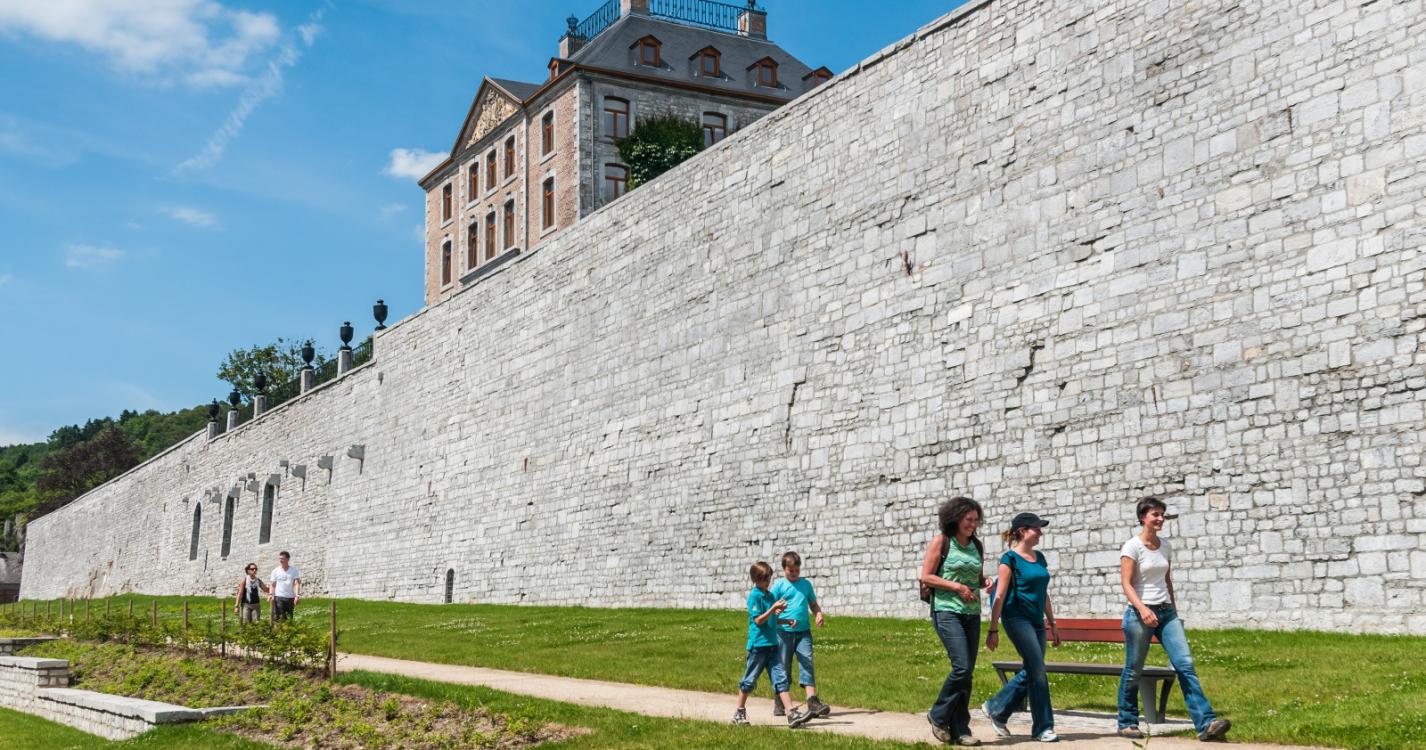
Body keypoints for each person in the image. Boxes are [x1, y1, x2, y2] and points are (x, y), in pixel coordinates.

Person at [1118, 498, 1231, 742]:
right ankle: (1127, 722)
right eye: (1155, 514)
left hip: (1166, 612)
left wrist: (1174, 611)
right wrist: (1142, 609)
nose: (1161, 519)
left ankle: (1206, 724)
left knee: (1185, 664)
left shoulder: (1165, 546)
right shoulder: (1132, 547)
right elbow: (1126, 584)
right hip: (1139, 613)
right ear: (1143, 518)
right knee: (1134, 669)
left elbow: (1166, 580)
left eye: (1163, 515)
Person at [982, 512, 1060, 743]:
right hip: (1016, 619)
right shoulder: (1009, 559)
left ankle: (997, 708)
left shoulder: (1040, 558)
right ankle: (1043, 727)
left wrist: (1052, 623)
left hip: (1036, 621)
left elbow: (1043, 593)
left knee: (1033, 669)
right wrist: (993, 629)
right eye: (1037, 529)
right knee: (1038, 670)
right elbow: (999, 595)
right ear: (1023, 531)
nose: (1040, 533)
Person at [919, 496, 990, 746]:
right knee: (961, 667)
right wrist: (957, 587)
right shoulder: (942, 541)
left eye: (976, 520)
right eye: (968, 519)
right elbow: (926, 577)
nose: (973, 524)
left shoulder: (976, 545)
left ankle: (961, 729)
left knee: (967, 673)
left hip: (971, 613)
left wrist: (986, 582)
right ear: (955, 518)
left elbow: (977, 577)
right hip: (946, 611)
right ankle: (938, 714)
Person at [733, 561, 813, 728]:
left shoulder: (770, 596)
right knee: (749, 680)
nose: (767, 582)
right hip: (758, 647)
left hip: (773, 646)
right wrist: (773, 608)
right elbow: (758, 620)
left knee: (781, 679)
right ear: (755, 580)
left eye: (768, 578)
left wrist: (785, 620)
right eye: (764, 579)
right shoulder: (755, 596)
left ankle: (791, 713)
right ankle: (739, 712)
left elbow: (771, 620)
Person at [770, 551, 829, 719]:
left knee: (807, 662)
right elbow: (770, 608)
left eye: (797, 570)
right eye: (791, 570)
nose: (794, 573)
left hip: (803, 633)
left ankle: (812, 701)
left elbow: (813, 604)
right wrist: (776, 612)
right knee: (783, 667)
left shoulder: (806, 585)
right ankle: (780, 701)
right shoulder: (779, 586)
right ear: (784, 569)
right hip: (783, 633)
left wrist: (818, 614)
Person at [269, 551, 301, 622]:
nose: (280, 560)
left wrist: (297, 596)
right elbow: (272, 584)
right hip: (278, 597)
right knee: (278, 619)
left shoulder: (294, 570)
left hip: (290, 598)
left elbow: (297, 583)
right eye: (279, 558)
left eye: (282, 558)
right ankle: (277, 629)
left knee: (289, 619)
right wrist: (270, 594)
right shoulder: (275, 571)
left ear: (288, 559)